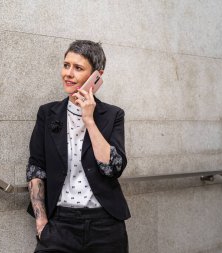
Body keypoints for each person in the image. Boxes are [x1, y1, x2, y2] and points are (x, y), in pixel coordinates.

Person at [26, 40, 130, 253]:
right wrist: (41, 222)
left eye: (78, 68)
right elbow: (36, 167)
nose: (68, 74)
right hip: (59, 224)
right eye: (66, 65)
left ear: (97, 76)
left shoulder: (113, 115)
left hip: (105, 224)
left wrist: (89, 119)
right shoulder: (47, 113)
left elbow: (112, 168)